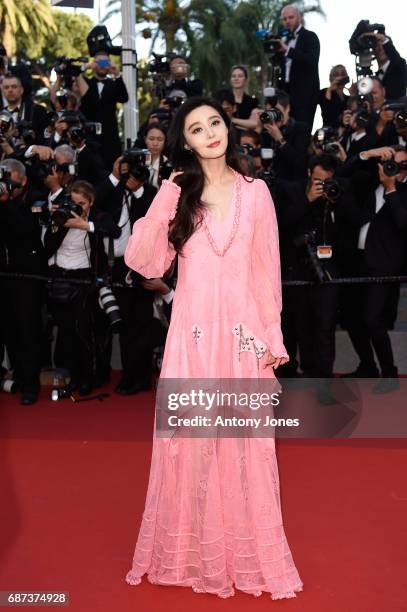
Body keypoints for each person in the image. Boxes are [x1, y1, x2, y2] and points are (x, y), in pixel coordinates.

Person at [124, 97, 303, 599]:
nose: (211, 134)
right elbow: (142, 261)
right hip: (193, 340)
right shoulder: (178, 194)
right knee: (193, 448)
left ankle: (245, 556)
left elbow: (268, 271)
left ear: (227, 128)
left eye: (216, 123)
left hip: (243, 340)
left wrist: (273, 336)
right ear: (187, 141)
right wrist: (165, 196)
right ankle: (189, 555)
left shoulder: (258, 192)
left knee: (244, 448)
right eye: (198, 129)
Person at [77, 52, 129, 169]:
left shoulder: (114, 84)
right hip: (88, 135)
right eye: (99, 62)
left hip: (110, 138)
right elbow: (74, 77)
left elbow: (124, 98)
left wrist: (116, 73)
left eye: (105, 62)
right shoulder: (86, 82)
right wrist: (85, 67)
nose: (102, 65)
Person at [278, 4, 320, 128]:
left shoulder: (310, 36)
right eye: (284, 19)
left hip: (304, 95)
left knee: (301, 132)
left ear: (299, 17)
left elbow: (311, 60)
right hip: (286, 93)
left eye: (291, 18)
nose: (287, 21)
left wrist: (287, 50)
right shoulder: (283, 39)